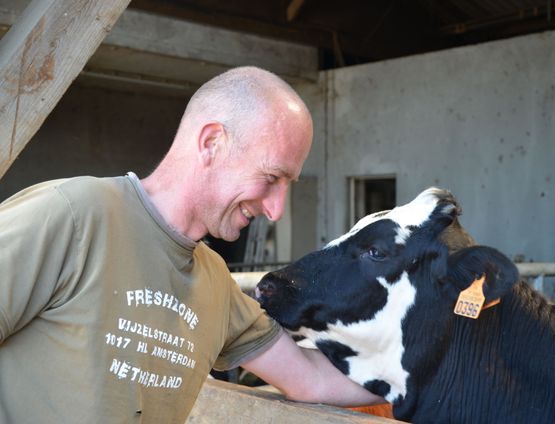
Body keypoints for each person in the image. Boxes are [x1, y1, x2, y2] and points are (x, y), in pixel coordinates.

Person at [0, 66, 383, 423]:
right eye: (270, 177)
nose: (277, 209)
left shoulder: (215, 282)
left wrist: (428, 367)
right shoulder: (72, 215)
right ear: (212, 142)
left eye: (288, 186)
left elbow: (310, 379)